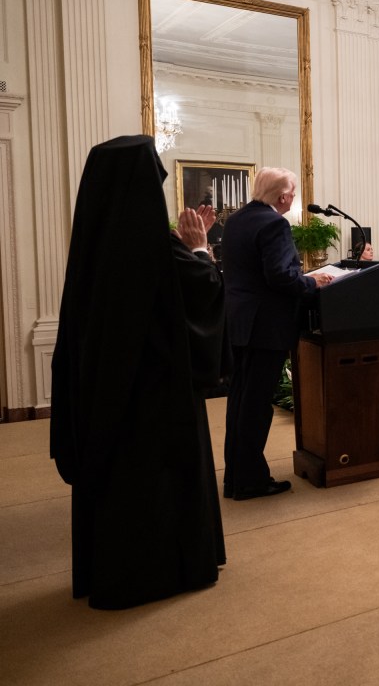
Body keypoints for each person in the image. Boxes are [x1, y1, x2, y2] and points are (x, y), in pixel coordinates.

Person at [50, 134, 228, 609]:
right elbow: (202, 295)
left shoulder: (92, 245)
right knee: (156, 488)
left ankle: (109, 571)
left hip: (106, 395)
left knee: (117, 484)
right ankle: (161, 572)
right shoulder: (155, 250)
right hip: (157, 396)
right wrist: (200, 248)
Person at [222, 167, 333, 501]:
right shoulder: (274, 223)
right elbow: (281, 277)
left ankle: (237, 477)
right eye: (293, 193)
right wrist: (312, 281)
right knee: (256, 406)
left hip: (241, 324)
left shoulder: (237, 220)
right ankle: (250, 481)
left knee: (240, 402)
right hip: (265, 327)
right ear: (283, 196)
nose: (294, 198)